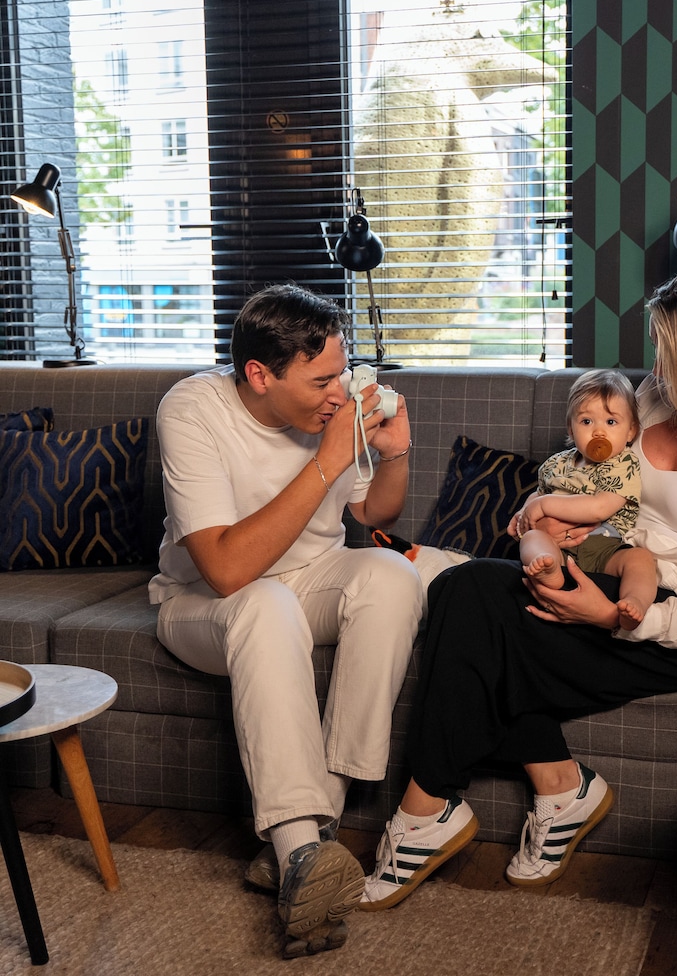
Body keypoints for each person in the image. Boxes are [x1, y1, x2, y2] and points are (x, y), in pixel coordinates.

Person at [359, 263, 677, 910]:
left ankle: (428, 811)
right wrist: (568, 527)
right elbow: (604, 485)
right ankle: (548, 789)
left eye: (673, 353)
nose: (658, 367)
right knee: (464, 591)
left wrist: (612, 617)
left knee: (478, 613)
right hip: (607, 563)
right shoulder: (657, 394)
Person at [148, 283, 422, 957]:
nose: (338, 393)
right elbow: (226, 570)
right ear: (260, 374)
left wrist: (393, 453)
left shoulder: (336, 412)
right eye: (321, 380)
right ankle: (299, 845)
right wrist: (329, 456)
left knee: (394, 575)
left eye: (341, 373)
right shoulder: (192, 409)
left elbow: (373, 515)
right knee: (264, 604)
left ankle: (316, 831)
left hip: (312, 580)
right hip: (202, 603)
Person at [510, 368, 657, 631]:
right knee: (531, 539)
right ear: (571, 427)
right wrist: (524, 512)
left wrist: (544, 504)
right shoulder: (556, 464)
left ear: (631, 431)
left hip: (605, 547)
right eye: (587, 421)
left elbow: (599, 508)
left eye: (611, 422)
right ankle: (548, 569)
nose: (598, 432)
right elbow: (538, 493)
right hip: (557, 547)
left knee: (640, 559)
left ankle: (634, 602)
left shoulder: (623, 464)